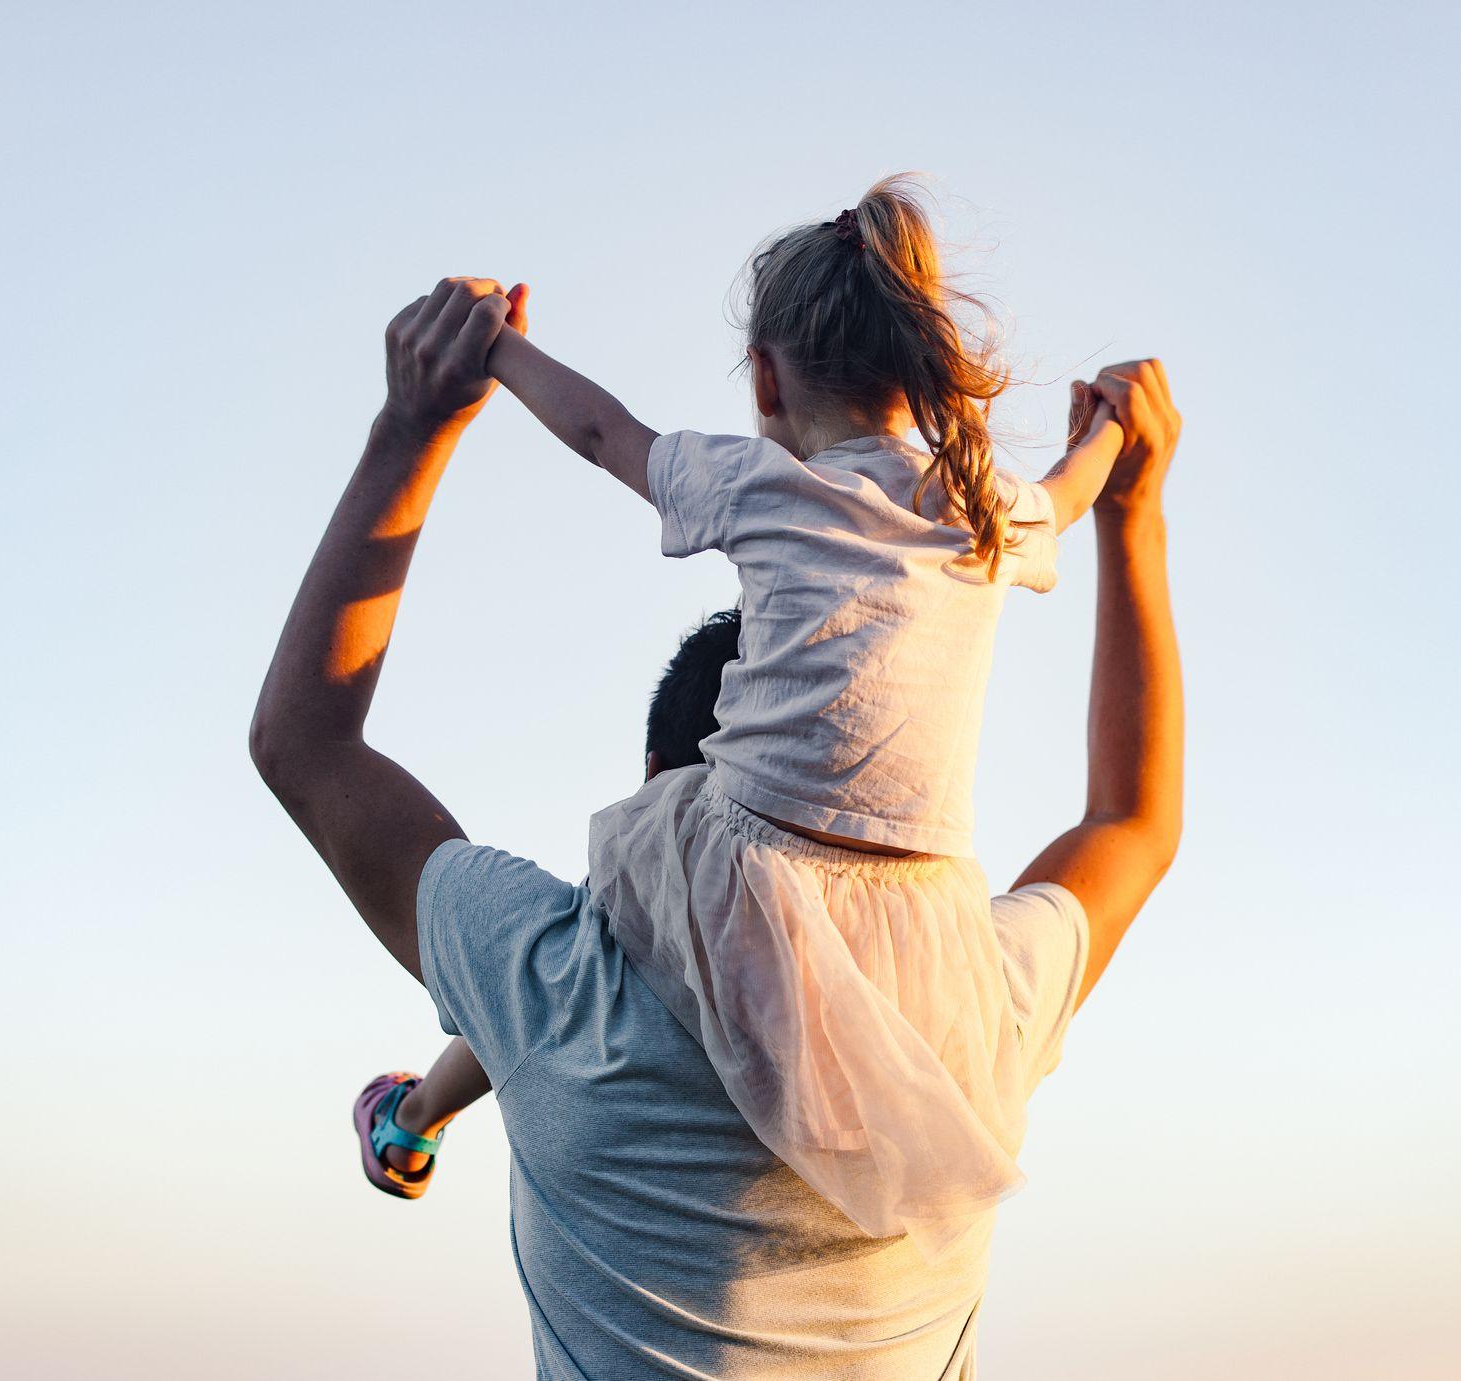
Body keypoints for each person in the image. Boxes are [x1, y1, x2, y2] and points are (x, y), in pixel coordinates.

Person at [250, 271, 1183, 1379]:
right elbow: (1132, 817)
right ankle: (414, 1109)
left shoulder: (557, 985)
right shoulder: (971, 1021)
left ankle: (410, 1112)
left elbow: (304, 747)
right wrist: (1131, 507)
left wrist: (416, 423)